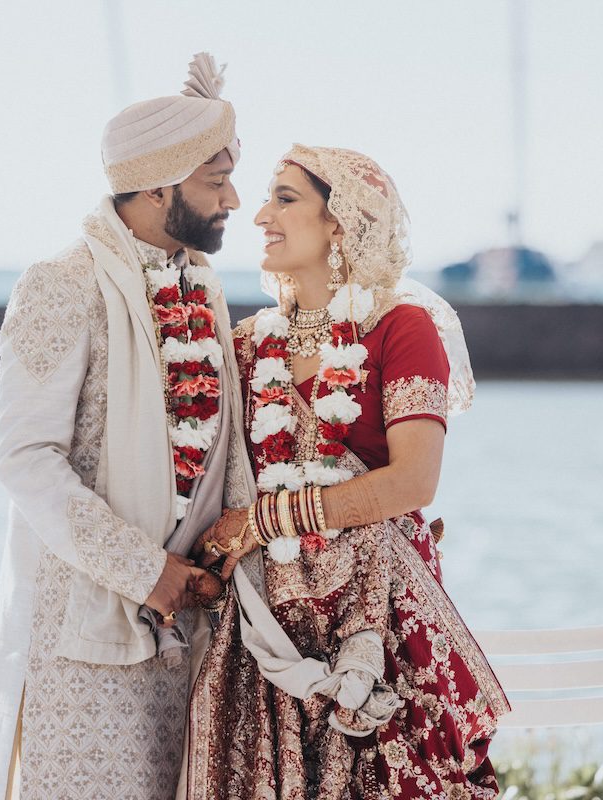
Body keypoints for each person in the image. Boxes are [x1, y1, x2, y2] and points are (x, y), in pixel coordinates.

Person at [188, 145, 509, 799]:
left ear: (341, 222)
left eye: (285, 199)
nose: (261, 216)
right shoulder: (247, 345)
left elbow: (413, 482)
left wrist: (265, 521)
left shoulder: (401, 328)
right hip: (267, 631)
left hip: (378, 616)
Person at [0, 53, 255, 800]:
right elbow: (26, 460)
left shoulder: (203, 284)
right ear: (159, 183)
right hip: (88, 638)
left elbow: (223, 447)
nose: (234, 197)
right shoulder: (61, 284)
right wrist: (146, 572)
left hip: (194, 628)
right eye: (216, 179)